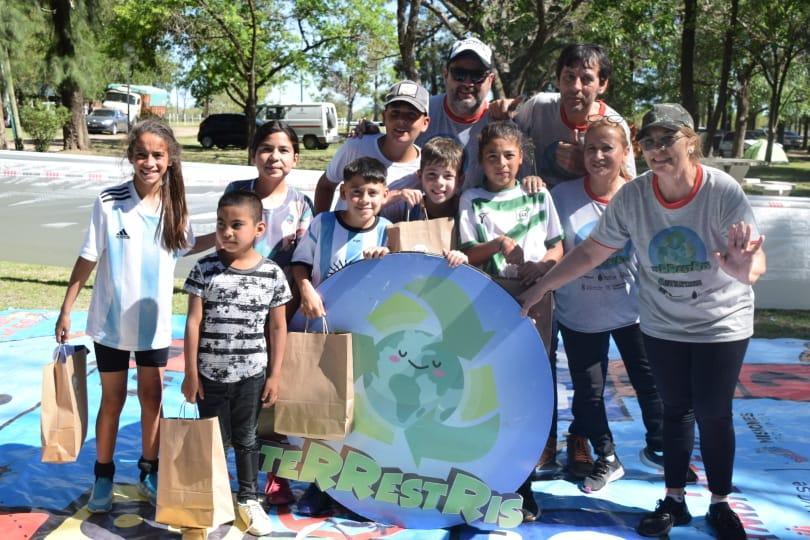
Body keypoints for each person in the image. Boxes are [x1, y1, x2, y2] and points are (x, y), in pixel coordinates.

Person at [520, 104, 766, 539]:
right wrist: (541, 288)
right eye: (649, 142)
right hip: (663, 322)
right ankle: (674, 499)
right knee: (675, 412)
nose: (657, 150)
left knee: (712, 412)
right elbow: (591, 252)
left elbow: (754, 262)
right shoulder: (633, 196)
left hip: (720, 321)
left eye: (667, 139)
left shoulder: (722, 190)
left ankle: (720, 502)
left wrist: (743, 267)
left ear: (691, 141)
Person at [55, 119, 196, 513]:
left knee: (153, 399)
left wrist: (229, 238)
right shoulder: (109, 200)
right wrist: (67, 307)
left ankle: (148, 470)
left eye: (157, 155)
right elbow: (88, 255)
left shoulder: (176, 205)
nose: (148, 162)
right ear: (130, 157)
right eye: (141, 154)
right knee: (112, 400)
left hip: (154, 327)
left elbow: (184, 246)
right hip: (111, 325)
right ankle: (103, 474)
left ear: (170, 159)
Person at [550, 116, 664, 492]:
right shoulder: (561, 195)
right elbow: (553, 249)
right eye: (591, 148)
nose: (598, 155)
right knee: (589, 392)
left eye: (607, 147)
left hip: (633, 312)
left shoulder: (641, 194)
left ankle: (662, 448)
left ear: (625, 153)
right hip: (579, 315)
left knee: (650, 384)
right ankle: (607, 457)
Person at [458, 120, 563, 521]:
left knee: (531, 389)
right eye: (492, 157)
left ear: (522, 157)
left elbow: (557, 246)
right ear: (480, 162)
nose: (501, 163)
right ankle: (486, 478)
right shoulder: (472, 199)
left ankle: (524, 484)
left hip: (538, 297)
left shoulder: (539, 196)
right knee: (491, 390)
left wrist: (544, 267)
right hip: (491, 298)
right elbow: (468, 253)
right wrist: (499, 245)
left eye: (509, 155)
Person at [182, 191, 290, 537]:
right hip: (209, 375)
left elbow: (277, 326)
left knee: (246, 438)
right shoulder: (204, 269)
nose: (226, 232)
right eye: (220, 224)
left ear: (259, 228)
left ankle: (248, 497)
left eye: (236, 225)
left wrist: (274, 374)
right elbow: (193, 322)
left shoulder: (272, 274)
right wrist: (189, 373)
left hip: (251, 375)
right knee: (213, 440)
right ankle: (210, 498)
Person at [291, 156, 391, 515]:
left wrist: (386, 257)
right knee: (323, 414)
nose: (363, 199)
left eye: (371, 193)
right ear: (343, 193)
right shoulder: (324, 223)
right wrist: (305, 288)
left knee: (363, 416)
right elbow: (300, 263)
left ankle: (354, 486)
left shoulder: (388, 231)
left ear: (385, 195)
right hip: (324, 333)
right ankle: (321, 484)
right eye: (355, 192)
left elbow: (400, 279)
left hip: (369, 338)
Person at [494, 43, 636, 190]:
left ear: (602, 84)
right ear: (557, 80)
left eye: (586, 79)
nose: (576, 87)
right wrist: (502, 111)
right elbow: (504, 135)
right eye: (569, 77)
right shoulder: (538, 107)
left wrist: (589, 164)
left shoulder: (615, 126)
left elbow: (628, 185)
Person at [224, 121, 313, 318]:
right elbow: (224, 244)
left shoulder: (302, 204)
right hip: (235, 301)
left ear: (295, 158)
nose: (274, 157)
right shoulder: (236, 192)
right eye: (266, 149)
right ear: (253, 155)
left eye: (283, 150)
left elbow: (303, 259)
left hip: (281, 307)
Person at [313, 80, 430, 214]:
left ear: (425, 123)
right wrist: (321, 226)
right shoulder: (357, 145)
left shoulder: (425, 167)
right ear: (384, 116)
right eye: (394, 113)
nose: (401, 120)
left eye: (411, 115)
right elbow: (326, 186)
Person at [382, 136, 468, 268]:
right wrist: (397, 195)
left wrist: (462, 256)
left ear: (460, 181)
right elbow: (369, 211)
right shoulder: (410, 206)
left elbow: (472, 252)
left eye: (448, 176)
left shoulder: (465, 210)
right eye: (432, 174)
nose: (439, 182)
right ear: (419, 176)